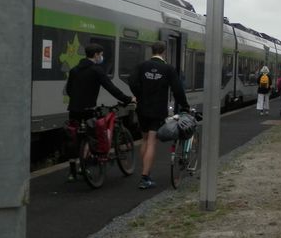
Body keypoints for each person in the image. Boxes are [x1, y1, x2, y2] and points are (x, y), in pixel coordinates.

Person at [65, 43, 135, 181]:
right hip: (88, 110)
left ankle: (72, 172)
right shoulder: (96, 70)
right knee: (92, 136)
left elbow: (69, 90)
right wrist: (127, 99)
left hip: (73, 110)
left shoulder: (74, 70)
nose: (101, 57)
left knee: (73, 138)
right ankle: (84, 165)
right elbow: (111, 88)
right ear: (96, 55)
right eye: (101, 55)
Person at [127, 40, 190, 190]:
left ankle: (145, 169)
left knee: (144, 139)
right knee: (152, 141)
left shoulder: (142, 66)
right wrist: (184, 106)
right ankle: (145, 177)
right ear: (164, 52)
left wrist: (139, 94)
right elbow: (177, 90)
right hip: (157, 109)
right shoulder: (168, 69)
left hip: (142, 108)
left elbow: (132, 81)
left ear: (152, 51)